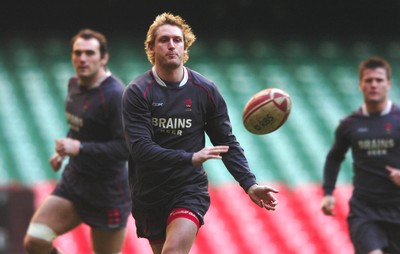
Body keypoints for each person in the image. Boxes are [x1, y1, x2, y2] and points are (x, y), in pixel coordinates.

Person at [122, 12, 279, 254]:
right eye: (164, 40)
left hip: (188, 188)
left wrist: (249, 184)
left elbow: (226, 142)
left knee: (172, 252)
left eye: (177, 39)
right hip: (148, 192)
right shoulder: (138, 92)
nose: (172, 45)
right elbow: (141, 150)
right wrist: (189, 157)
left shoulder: (205, 90)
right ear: (151, 47)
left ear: (186, 46)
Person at [23, 29, 131, 254]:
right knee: (35, 242)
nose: (82, 59)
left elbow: (125, 148)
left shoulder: (115, 95)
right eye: (77, 53)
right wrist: (64, 150)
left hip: (107, 192)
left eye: (89, 53)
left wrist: (79, 148)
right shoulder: (74, 85)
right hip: (75, 182)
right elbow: (79, 127)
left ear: (103, 58)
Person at [321, 57, 400, 254]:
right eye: (369, 80)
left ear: (388, 84)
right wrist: (328, 192)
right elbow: (334, 157)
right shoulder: (350, 124)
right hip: (365, 210)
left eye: (379, 80)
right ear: (360, 84)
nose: (374, 85)